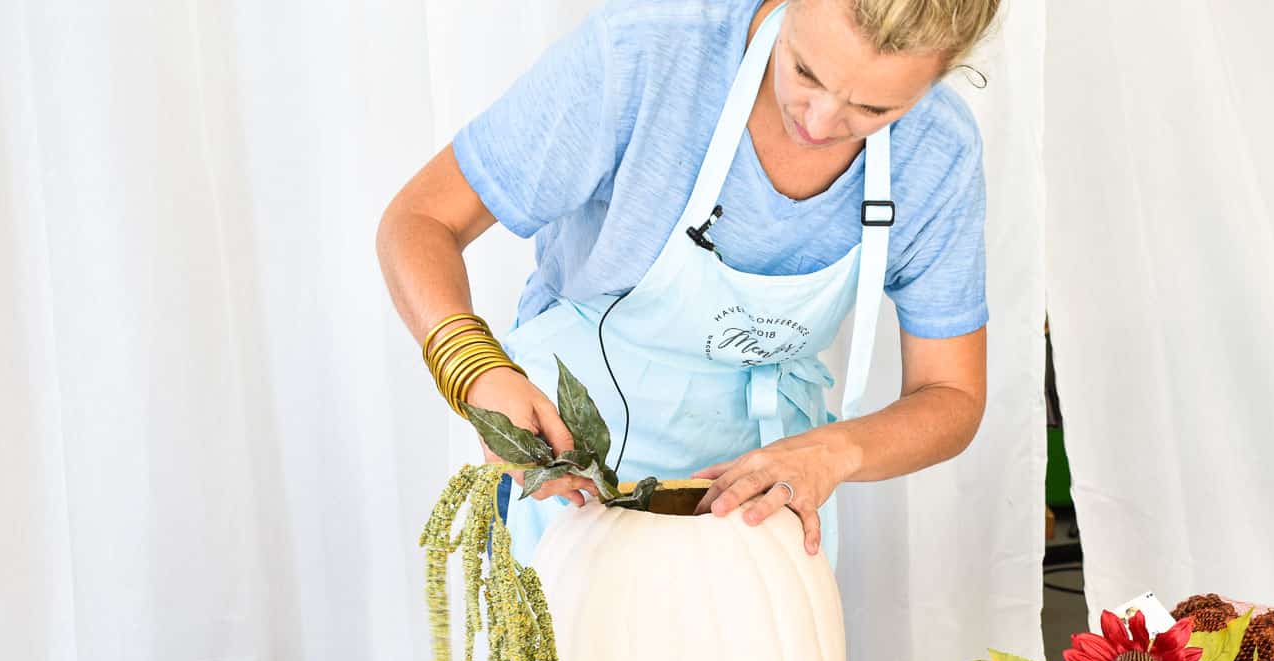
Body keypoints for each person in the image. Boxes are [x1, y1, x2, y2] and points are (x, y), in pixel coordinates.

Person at [378, 0, 998, 566]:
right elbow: (420, 220)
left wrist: (832, 453)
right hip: (567, 481)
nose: (818, 121)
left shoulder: (938, 150)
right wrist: (474, 367)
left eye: (873, 109)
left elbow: (949, 394)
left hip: (763, 512)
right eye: (806, 71)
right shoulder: (640, 57)